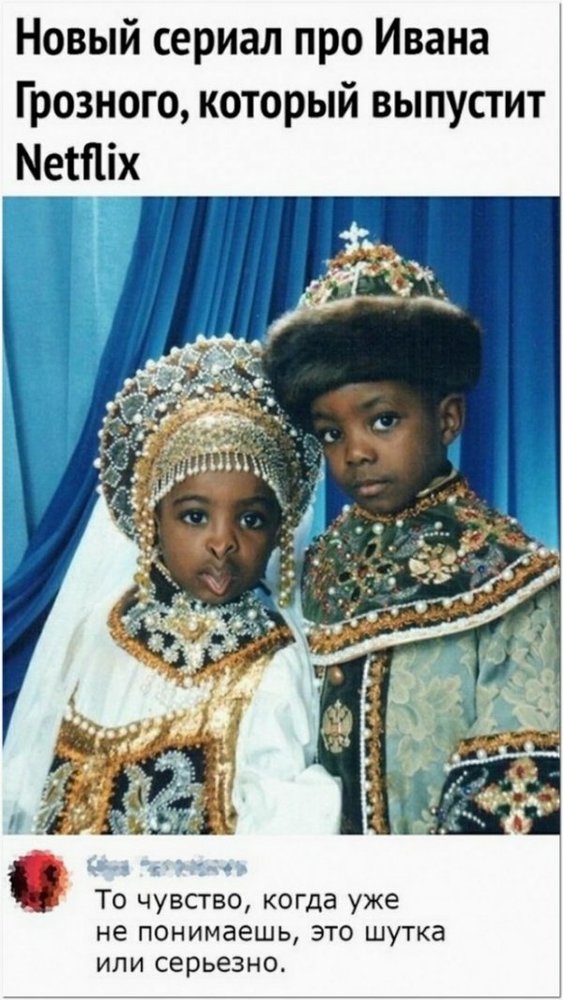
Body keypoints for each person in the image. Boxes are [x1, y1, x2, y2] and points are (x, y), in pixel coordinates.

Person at [264, 227, 560, 834]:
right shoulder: (313, 569)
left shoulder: (515, 578)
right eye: (331, 433)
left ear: (448, 418)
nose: (356, 452)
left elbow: (518, 797)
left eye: (383, 420)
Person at [3, 335, 341, 835]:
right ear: (153, 520)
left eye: (251, 519)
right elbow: (31, 782)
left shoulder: (271, 662)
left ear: (279, 531)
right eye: (195, 516)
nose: (222, 542)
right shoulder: (100, 630)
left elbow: (276, 829)